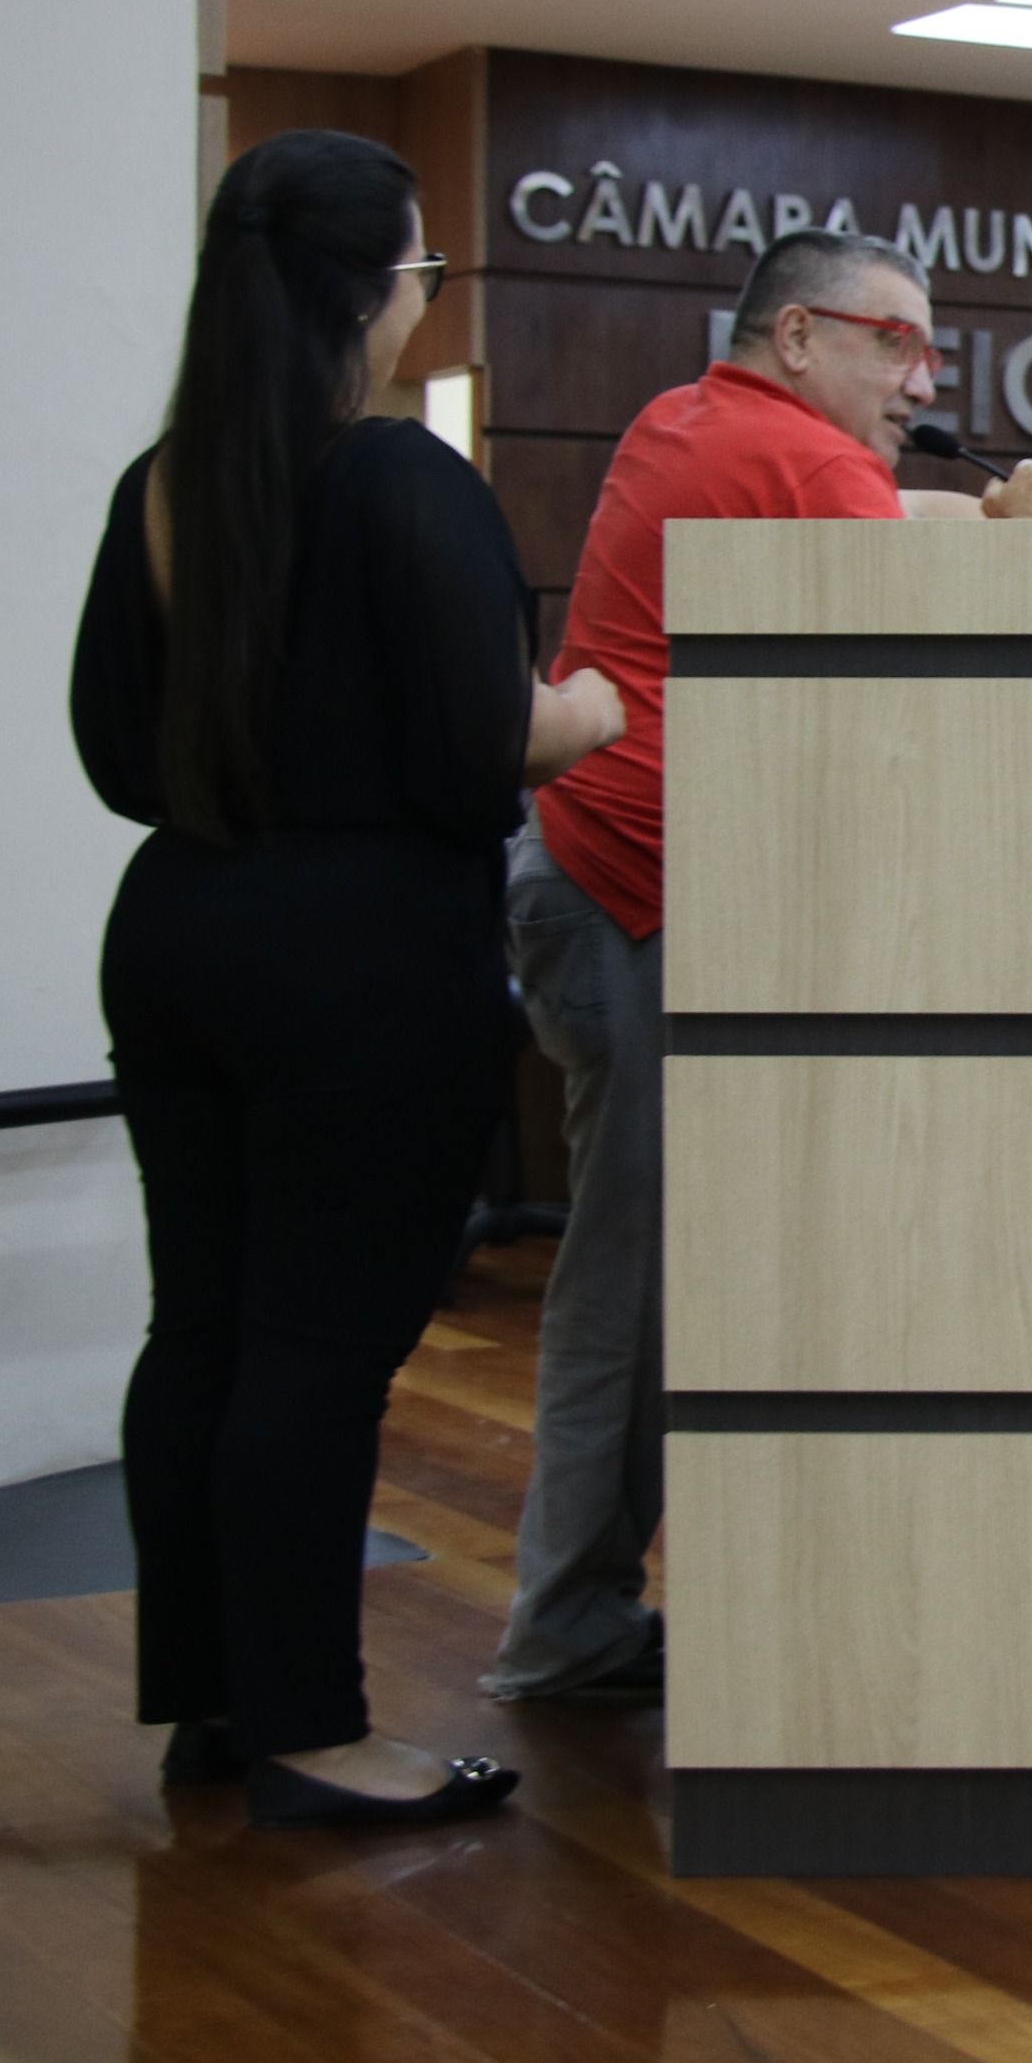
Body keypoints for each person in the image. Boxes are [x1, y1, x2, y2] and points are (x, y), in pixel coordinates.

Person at [72, 130, 625, 1829]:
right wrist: (590, 712)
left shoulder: (164, 482)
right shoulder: (399, 479)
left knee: (204, 1330)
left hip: (179, 929)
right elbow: (481, 748)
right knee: (319, 1348)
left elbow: (112, 748)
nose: (419, 306)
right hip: (364, 959)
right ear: (372, 290)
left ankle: (218, 1701)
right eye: (421, 276)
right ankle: (316, 1731)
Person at [494, 231, 1032, 1706]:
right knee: (640, 1283)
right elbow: (938, 654)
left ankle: (589, 1612)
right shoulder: (804, 462)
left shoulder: (688, 418)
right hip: (644, 899)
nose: (923, 378)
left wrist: (969, 513)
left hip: (588, 880)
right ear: (803, 336)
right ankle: (566, 1628)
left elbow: (883, 518)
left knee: (655, 1272)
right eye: (897, 343)